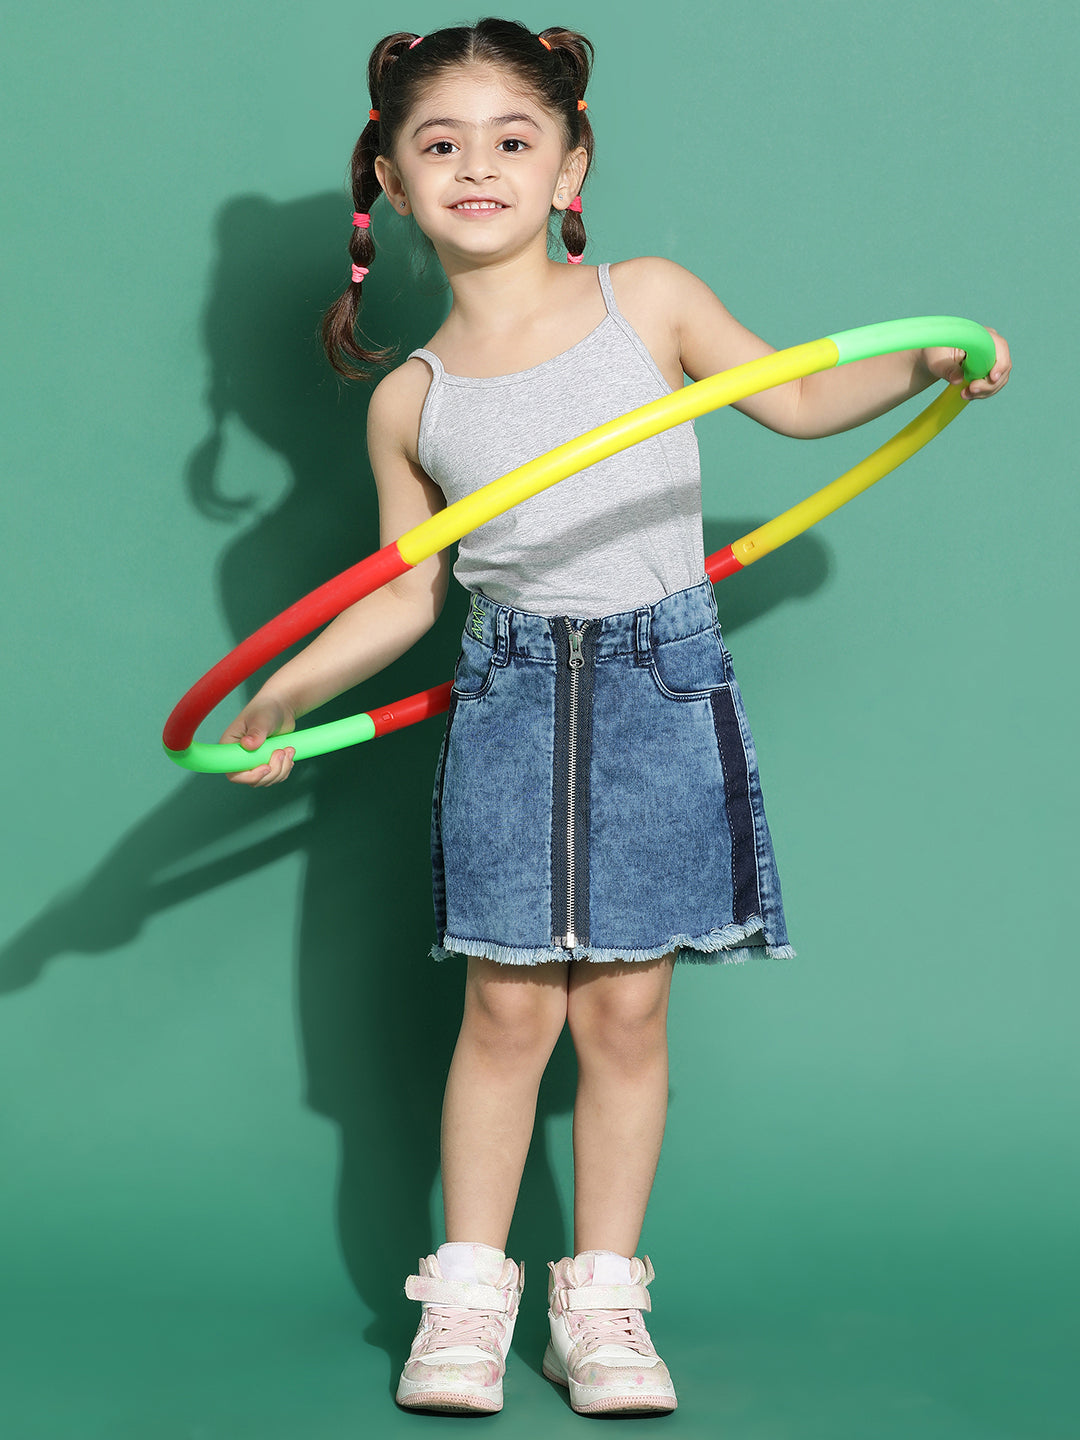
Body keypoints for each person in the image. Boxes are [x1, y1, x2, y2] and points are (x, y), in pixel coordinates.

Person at [218, 18, 1011, 1418]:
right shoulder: (412, 398)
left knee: (630, 1012)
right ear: (392, 181)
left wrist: (930, 365)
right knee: (506, 1006)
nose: (478, 166)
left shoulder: (650, 301)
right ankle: (469, 1299)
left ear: (571, 163)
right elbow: (404, 597)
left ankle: (600, 1306)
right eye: (440, 143)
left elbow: (803, 395)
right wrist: (278, 697)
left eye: (513, 139)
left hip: (661, 686)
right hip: (511, 694)